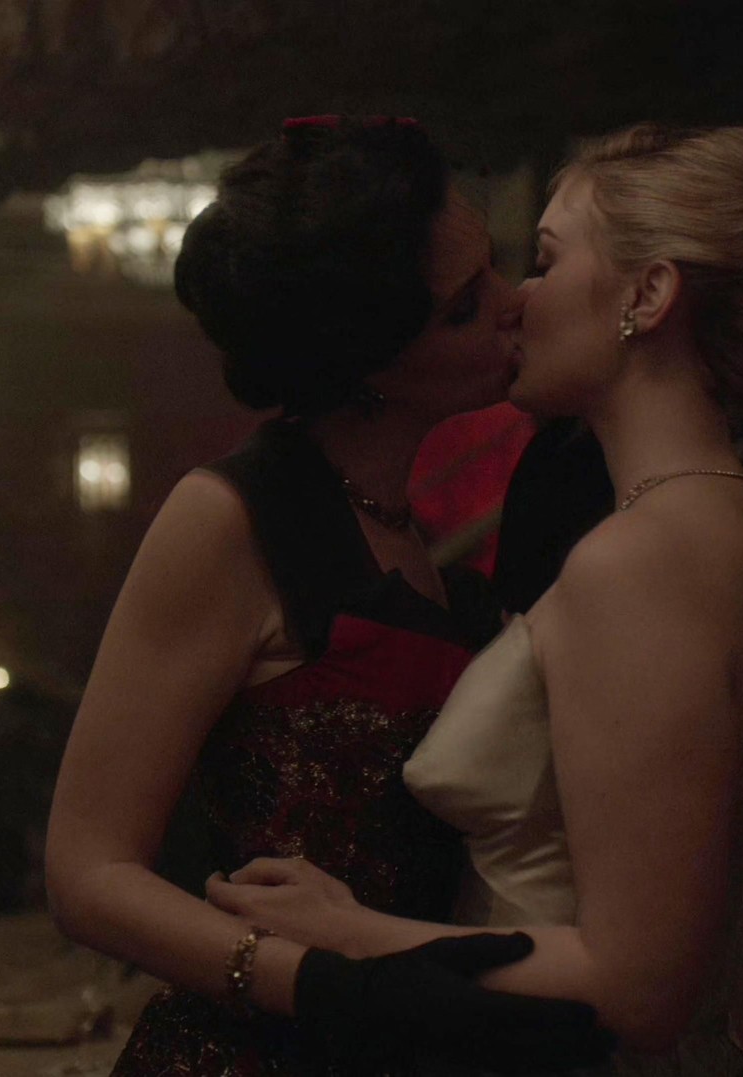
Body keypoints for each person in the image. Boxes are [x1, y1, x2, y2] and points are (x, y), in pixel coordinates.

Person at [201, 123, 743, 1074]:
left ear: (648, 295)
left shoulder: (640, 561)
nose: (517, 300)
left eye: (546, 261)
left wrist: (345, 933)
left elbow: (636, 988)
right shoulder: (714, 520)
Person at [44, 116, 614, 1076]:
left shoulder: (411, 528)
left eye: (499, 267)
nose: (514, 303)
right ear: (368, 367)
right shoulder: (232, 518)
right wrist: (318, 981)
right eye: (465, 307)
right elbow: (86, 872)